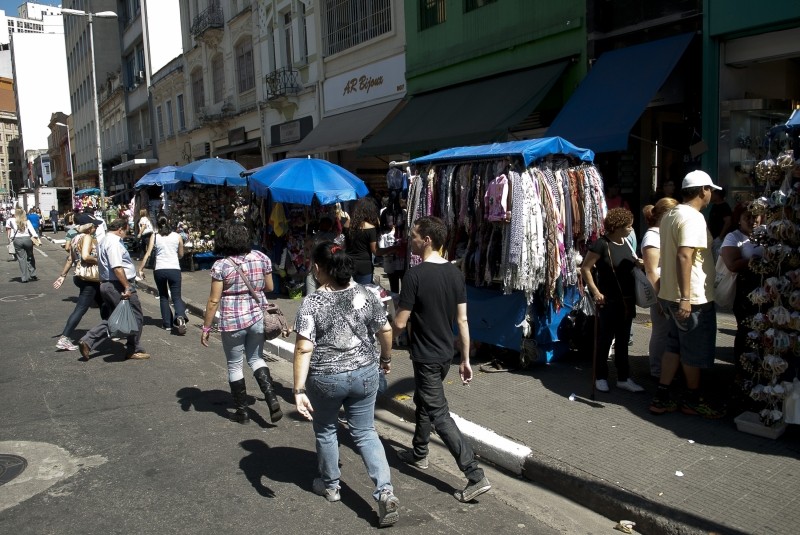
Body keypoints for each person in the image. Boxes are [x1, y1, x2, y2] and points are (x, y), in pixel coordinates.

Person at [293, 242, 399, 527]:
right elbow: (385, 329)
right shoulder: (367, 294)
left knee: (327, 430)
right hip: (365, 373)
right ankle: (385, 491)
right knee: (365, 432)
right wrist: (385, 359)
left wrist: (299, 389)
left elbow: (304, 349)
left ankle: (331, 486)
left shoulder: (312, 303)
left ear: (318, 269)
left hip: (325, 380)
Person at [392, 216, 491, 503]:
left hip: (424, 355)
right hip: (445, 354)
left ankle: (474, 474)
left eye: (414, 235)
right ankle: (419, 453)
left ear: (428, 240)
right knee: (423, 401)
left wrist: (383, 320)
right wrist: (465, 358)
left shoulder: (414, 275)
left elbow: (400, 323)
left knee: (439, 414)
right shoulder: (454, 273)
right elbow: (462, 320)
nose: (411, 239)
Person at [649, 170, 724, 418]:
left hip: (672, 294)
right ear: (703, 190)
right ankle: (692, 399)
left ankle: (662, 395)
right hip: (691, 299)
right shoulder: (693, 217)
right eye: (710, 189)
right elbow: (684, 255)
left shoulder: (672, 214)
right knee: (693, 351)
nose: (711, 194)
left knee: (674, 346)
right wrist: (686, 297)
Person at [200, 221, 283, 424]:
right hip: (257, 318)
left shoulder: (221, 266)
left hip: (233, 321)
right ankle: (271, 398)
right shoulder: (261, 257)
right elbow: (270, 287)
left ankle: (242, 412)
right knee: (256, 359)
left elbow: (213, 301)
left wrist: (206, 327)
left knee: (235, 365)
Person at [580, 208, 645, 393]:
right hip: (608, 300)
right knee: (605, 340)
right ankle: (601, 376)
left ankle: (623, 378)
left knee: (623, 341)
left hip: (627, 300)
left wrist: (638, 263)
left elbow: (631, 264)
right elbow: (585, 268)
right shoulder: (601, 244)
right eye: (628, 226)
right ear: (617, 227)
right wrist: (595, 292)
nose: (631, 229)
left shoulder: (626, 242)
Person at [78, 218, 150, 361]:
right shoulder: (114, 243)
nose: (126, 233)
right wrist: (127, 286)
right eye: (126, 230)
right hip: (117, 284)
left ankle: (88, 341)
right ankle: (132, 349)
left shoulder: (103, 241)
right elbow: (117, 267)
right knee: (135, 316)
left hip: (107, 283)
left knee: (116, 317)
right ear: (120, 229)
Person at [720, 204, 763, 382]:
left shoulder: (766, 234)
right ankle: (742, 372)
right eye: (748, 217)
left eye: (756, 217)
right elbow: (732, 264)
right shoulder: (733, 237)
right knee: (745, 331)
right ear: (739, 219)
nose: (753, 221)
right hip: (746, 292)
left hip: (767, 291)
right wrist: (755, 260)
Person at [53, 220, 108, 351]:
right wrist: (101, 259)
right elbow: (85, 256)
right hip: (90, 278)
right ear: (89, 227)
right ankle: (64, 337)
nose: (96, 228)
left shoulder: (74, 238)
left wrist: (62, 275)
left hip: (81, 276)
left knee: (103, 302)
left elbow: (70, 259)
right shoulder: (87, 237)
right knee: (81, 308)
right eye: (94, 225)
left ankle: (109, 329)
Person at [641, 198, 680, 379]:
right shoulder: (652, 238)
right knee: (661, 331)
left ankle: (664, 367)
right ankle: (657, 369)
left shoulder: (664, 234)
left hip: (669, 290)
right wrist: (659, 298)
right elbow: (651, 271)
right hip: (661, 292)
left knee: (668, 331)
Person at [139, 215, 188, 334]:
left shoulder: (154, 236)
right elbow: (181, 254)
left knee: (163, 296)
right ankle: (180, 316)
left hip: (159, 269)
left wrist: (141, 269)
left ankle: (167, 324)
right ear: (169, 221)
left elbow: (148, 254)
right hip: (174, 269)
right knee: (176, 297)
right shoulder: (177, 236)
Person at [344, 197, 378, 285]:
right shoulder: (370, 228)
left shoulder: (347, 223)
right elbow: (375, 251)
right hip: (364, 266)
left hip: (348, 263)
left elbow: (344, 244)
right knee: (364, 295)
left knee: (349, 294)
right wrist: (391, 249)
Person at [304, 216, 337, 295]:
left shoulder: (316, 236)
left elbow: (307, 245)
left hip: (315, 271)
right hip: (328, 272)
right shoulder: (334, 237)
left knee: (311, 297)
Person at [8, 207, 40, 282]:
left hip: (17, 240)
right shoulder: (27, 221)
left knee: (21, 259)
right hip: (27, 239)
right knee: (30, 256)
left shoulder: (12, 221)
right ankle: (33, 273)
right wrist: (36, 238)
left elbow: (12, 233)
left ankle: (24, 277)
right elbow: (33, 232)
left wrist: (10, 239)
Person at [708, 188, 733, 261]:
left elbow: (728, 222)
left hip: (720, 240)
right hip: (713, 239)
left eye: (712, 194)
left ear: (717, 195)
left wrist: (720, 237)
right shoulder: (714, 206)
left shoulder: (724, 206)